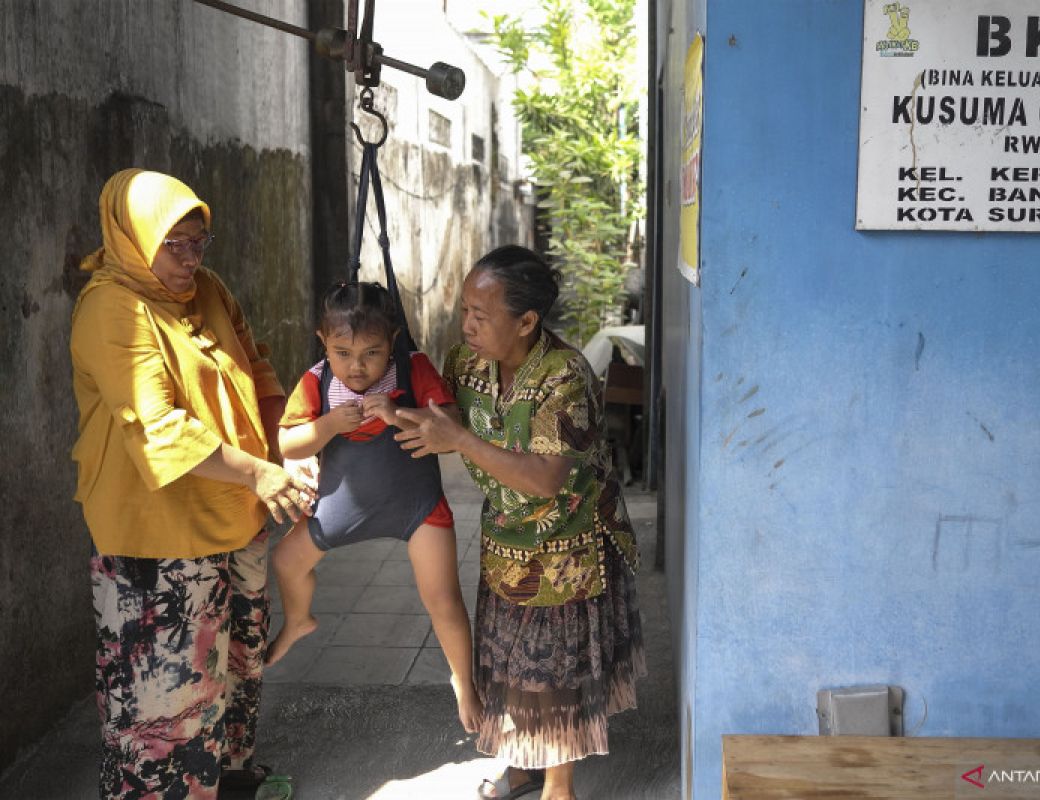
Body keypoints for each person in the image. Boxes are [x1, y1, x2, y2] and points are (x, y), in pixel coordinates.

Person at [70, 169, 315, 799]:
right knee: (166, 700)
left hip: (235, 515)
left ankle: (231, 782)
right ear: (134, 238)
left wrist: (286, 446)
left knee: (235, 666)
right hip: (157, 537)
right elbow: (160, 428)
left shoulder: (207, 289)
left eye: (197, 242)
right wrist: (261, 471)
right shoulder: (112, 306)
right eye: (172, 244)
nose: (188, 259)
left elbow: (255, 364)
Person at [392, 245, 646, 800]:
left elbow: (546, 478)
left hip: (570, 546)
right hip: (508, 541)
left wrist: (456, 439)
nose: (467, 325)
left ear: (527, 321)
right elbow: (454, 413)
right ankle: (528, 764)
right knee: (509, 664)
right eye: (464, 311)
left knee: (557, 672)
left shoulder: (566, 375)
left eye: (481, 316)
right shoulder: (466, 361)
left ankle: (559, 786)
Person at [264, 281, 483, 732]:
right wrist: (326, 425)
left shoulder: (412, 366)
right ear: (324, 342)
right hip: (343, 503)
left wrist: (399, 415)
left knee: (443, 598)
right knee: (286, 561)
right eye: (342, 352)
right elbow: (287, 440)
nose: (356, 367)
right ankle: (299, 620)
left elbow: (452, 425)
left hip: (417, 505)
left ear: (393, 343)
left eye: (371, 353)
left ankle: (465, 680)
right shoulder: (317, 380)